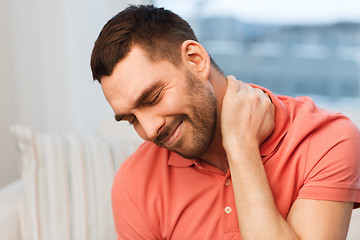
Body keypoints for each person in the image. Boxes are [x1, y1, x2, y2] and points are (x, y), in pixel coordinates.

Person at [90, 5, 360, 240]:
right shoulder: (135, 182)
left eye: (153, 97)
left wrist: (241, 148)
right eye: (131, 119)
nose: (149, 130)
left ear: (195, 60)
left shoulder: (327, 139)